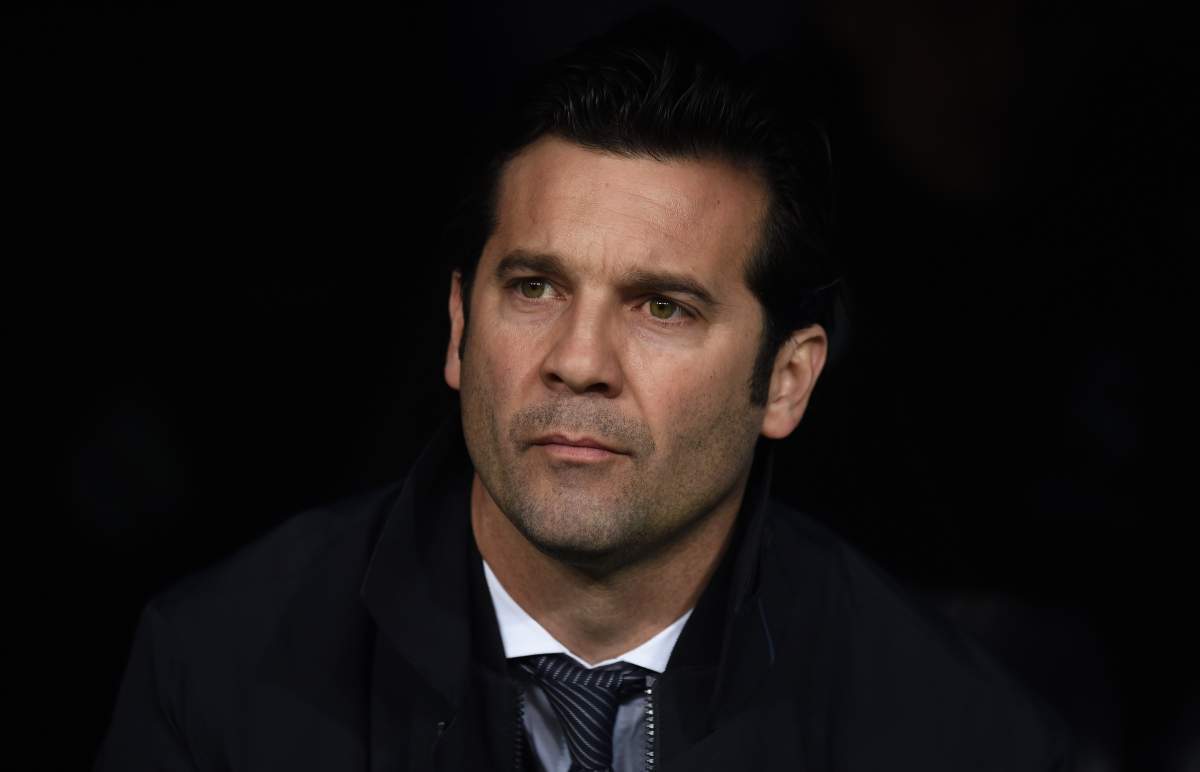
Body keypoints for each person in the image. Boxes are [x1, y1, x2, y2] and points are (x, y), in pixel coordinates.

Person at [95, 10, 1070, 771]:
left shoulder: (958, 734)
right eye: (535, 288)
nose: (578, 358)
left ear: (787, 380)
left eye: (662, 307)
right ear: (459, 328)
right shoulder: (218, 666)